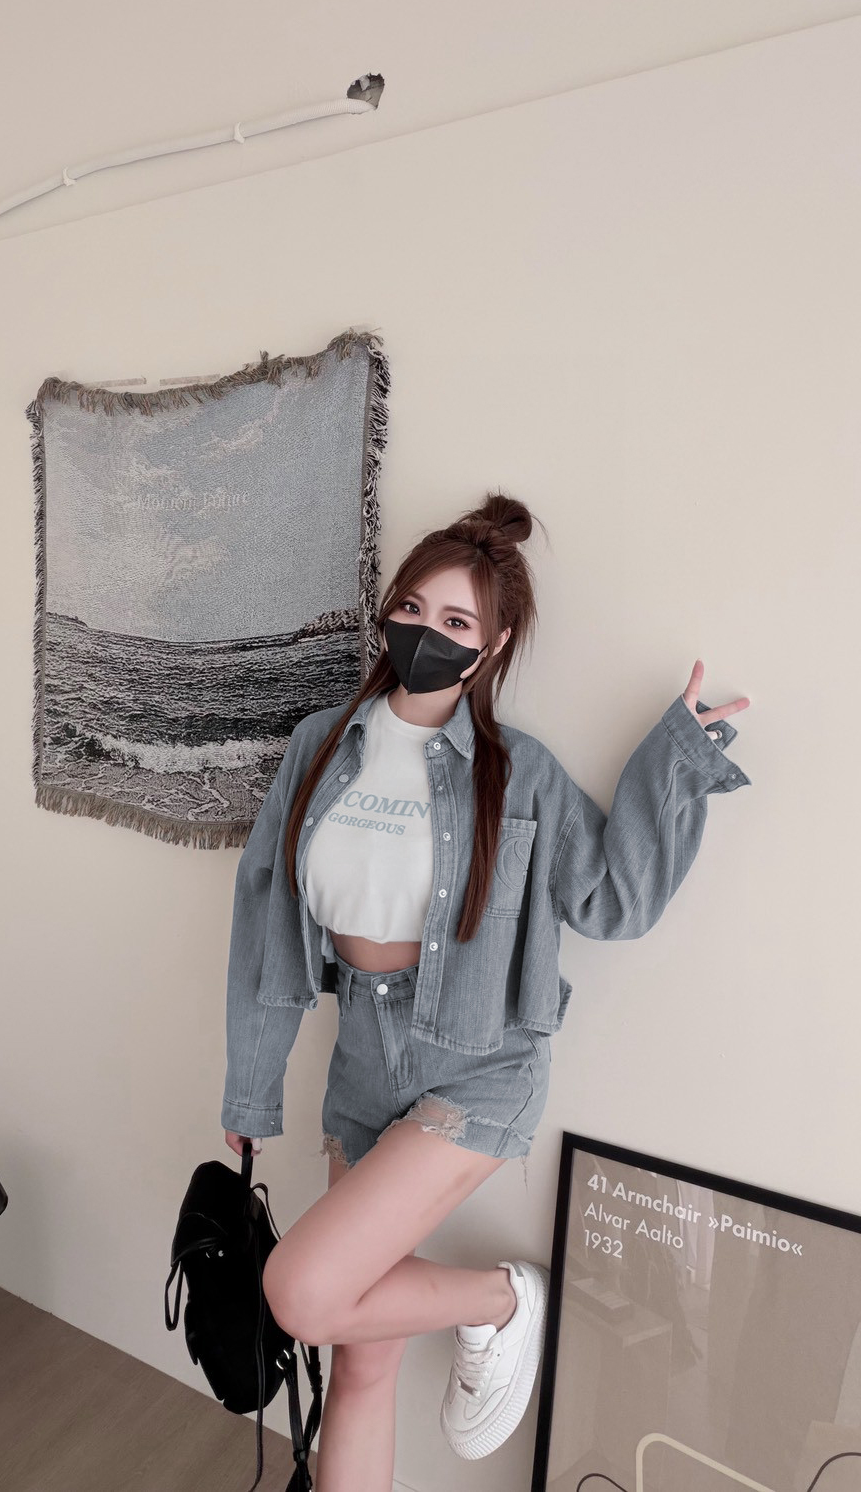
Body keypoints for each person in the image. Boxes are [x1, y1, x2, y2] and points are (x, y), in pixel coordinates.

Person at [221, 491, 751, 1491]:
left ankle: (502, 1302)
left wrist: (677, 758)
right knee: (361, 1362)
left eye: (457, 621)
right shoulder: (320, 747)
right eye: (413, 607)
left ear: (493, 645)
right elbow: (266, 927)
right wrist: (251, 1089)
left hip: (480, 1063)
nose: (427, 632)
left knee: (302, 1291)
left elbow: (613, 900)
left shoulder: (519, 773)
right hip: (362, 1061)